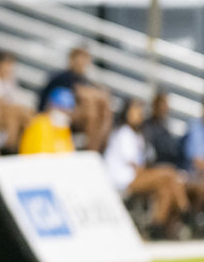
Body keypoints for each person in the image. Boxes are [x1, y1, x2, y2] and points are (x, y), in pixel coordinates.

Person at [105, 98, 190, 239]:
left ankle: (156, 227)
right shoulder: (124, 133)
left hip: (132, 177)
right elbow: (136, 167)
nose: (139, 115)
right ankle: (185, 209)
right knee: (169, 173)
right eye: (135, 111)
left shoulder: (138, 136)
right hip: (122, 180)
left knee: (166, 188)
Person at [38, 47, 112, 151]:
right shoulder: (61, 78)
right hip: (58, 112)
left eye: (85, 60)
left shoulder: (85, 80)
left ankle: (96, 148)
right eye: (80, 59)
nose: (83, 63)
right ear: (72, 60)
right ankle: (92, 149)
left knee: (101, 109)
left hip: (76, 117)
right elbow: (45, 103)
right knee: (91, 108)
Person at [19, 87, 76, 155]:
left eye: (67, 111)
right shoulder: (40, 124)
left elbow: (69, 152)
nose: (63, 114)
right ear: (50, 105)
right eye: (61, 109)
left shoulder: (63, 127)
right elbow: (39, 154)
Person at [142, 92, 184, 167]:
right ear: (155, 105)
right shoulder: (148, 126)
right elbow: (150, 154)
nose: (166, 108)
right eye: (163, 104)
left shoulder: (164, 126)